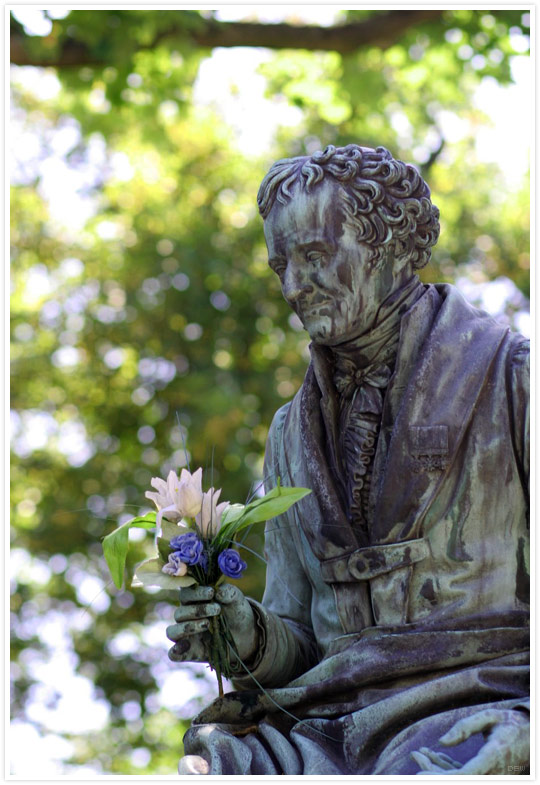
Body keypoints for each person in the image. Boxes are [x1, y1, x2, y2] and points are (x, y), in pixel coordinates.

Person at [166, 144, 529, 775]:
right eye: (281, 264)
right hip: (327, 722)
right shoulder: (288, 435)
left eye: (315, 255)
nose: (293, 286)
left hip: (483, 696)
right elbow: (302, 638)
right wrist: (246, 634)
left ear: (393, 246)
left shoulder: (512, 376)